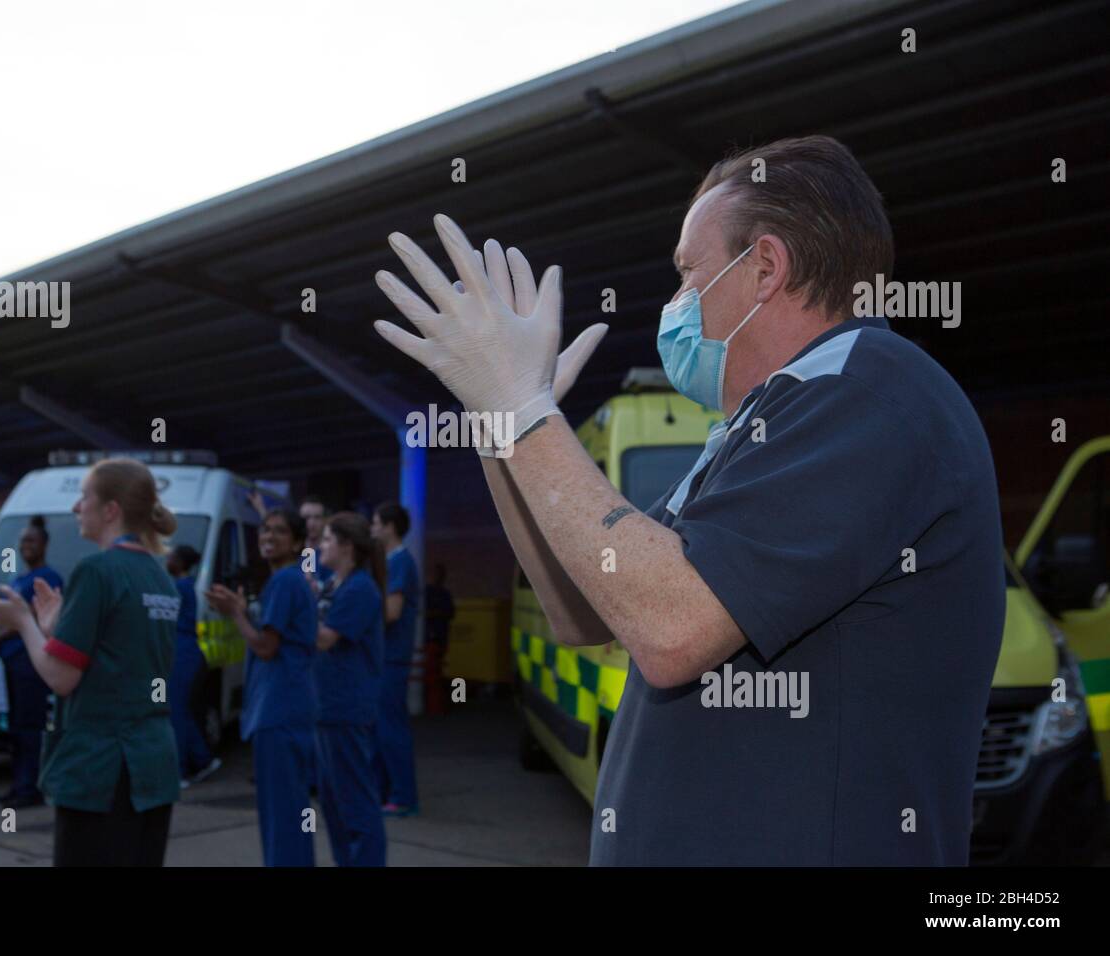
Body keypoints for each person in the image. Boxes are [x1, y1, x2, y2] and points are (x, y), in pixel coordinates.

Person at [372, 135, 1006, 865]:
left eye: (687, 273)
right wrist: (500, 430)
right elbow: (581, 610)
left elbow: (672, 626)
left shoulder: (869, 392)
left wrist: (524, 408)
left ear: (765, 267)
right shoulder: (755, 431)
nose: (674, 304)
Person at [0, 457, 182, 867]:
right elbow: (121, 652)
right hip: (152, 767)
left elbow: (61, 677)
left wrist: (23, 623)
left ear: (110, 510)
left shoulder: (96, 570)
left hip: (102, 770)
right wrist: (55, 629)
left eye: (84, 497)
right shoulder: (160, 577)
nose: (76, 508)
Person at [207, 508, 318, 866]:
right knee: (291, 809)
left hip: (279, 707)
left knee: (281, 813)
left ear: (298, 542)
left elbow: (266, 647)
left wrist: (235, 613)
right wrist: (243, 609)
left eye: (280, 532)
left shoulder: (284, 581)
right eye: (265, 530)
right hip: (290, 705)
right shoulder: (288, 582)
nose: (269, 537)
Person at [313, 512, 387, 866]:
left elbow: (325, 638)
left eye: (327, 539)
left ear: (346, 546)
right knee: (334, 803)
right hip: (329, 707)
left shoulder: (360, 589)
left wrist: (294, 608)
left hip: (345, 706)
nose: (320, 545)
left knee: (355, 802)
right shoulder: (336, 584)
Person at [0, 516, 64, 809]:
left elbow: (25, 617)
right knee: (16, 728)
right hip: (13, 662)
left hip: (31, 663)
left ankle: (31, 787)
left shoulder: (47, 578)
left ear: (44, 544)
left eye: (31, 540)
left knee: (30, 727)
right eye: (22, 541)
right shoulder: (19, 579)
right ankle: (19, 784)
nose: (24, 546)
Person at [370, 501, 419, 816]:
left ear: (389, 526)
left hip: (392, 657)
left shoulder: (400, 562)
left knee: (391, 729)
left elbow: (392, 611)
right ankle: (385, 791)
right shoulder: (389, 561)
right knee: (380, 728)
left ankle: (403, 797)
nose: (372, 528)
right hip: (383, 657)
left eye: (375, 522)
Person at [166, 543, 220, 787]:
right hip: (183, 653)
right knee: (181, 711)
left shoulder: (179, 587)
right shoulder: (185, 586)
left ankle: (179, 771)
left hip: (182, 654)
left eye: (172, 556)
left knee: (175, 711)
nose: (167, 558)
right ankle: (202, 758)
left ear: (180, 563)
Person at [423, 563, 455, 715]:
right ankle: (435, 705)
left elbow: (449, 613)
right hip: (432, 637)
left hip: (436, 637)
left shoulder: (441, 594)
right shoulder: (429, 593)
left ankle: (436, 706)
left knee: (435, 672)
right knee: (432, 672)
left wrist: (432, 614)